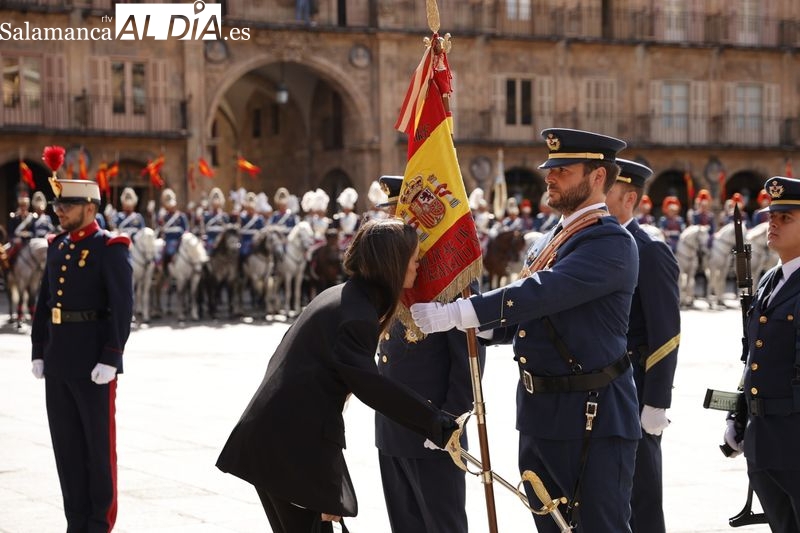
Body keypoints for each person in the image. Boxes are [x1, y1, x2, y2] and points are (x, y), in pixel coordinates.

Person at [411, 128, 640, 533]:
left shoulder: (610, 241)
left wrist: (465, 312)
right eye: (550, 169)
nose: (550, 177)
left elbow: (543, 292)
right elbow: (531, 319)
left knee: (597, 526)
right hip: (539, 413)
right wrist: (480, 330)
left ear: (598, 177)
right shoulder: (550, 241)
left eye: (563, 171)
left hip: (592, 415)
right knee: (549, 526)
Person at [216, 218, 462, 533]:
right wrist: (435, 422)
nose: (418, 264)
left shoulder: (341, 296)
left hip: (278, 443)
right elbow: (369, 386)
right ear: (393, 262)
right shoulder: (357, 315)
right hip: (291, 451)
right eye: (414, 257)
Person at [375, 190, 484, 533]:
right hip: (392, 428)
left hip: (432, 428)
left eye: (399, 215)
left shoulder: (451, 279)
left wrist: (449, 421)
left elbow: (469, 359)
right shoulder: (389, 277)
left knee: (442, 525)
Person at [30, 177, 133, 533]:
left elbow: (121, 307)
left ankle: (98, 523)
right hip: (59, 360)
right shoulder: (57, 245)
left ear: (90, 208)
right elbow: (43, 303)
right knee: (67, 449)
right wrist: (38, 348)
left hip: (93, 364)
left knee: (98, 450)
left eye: (66, 206)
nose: (59, 211)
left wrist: (111, 356)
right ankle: (75, 521)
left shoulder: (110, 247)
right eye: (58, 205)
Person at [723, 176, 800, 533]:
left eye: (786, 218)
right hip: (763, 440)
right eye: (772, 216)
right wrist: (737, 414)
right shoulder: (771, 279)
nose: (773, 224)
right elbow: (752, 356)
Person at [608, 159, 681, 533]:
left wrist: (656, 402)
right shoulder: (588, 243)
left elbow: (666, 332)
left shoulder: (648, 248)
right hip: (601, 387)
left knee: (640, 495)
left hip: (636, 385)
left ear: (629, 198)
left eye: (606, 195)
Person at [202, 187, 230, 253]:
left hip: (222, 241)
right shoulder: (206, 215)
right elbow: (203, 230)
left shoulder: (224, 216)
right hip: (210, 240)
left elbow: (226, 229)